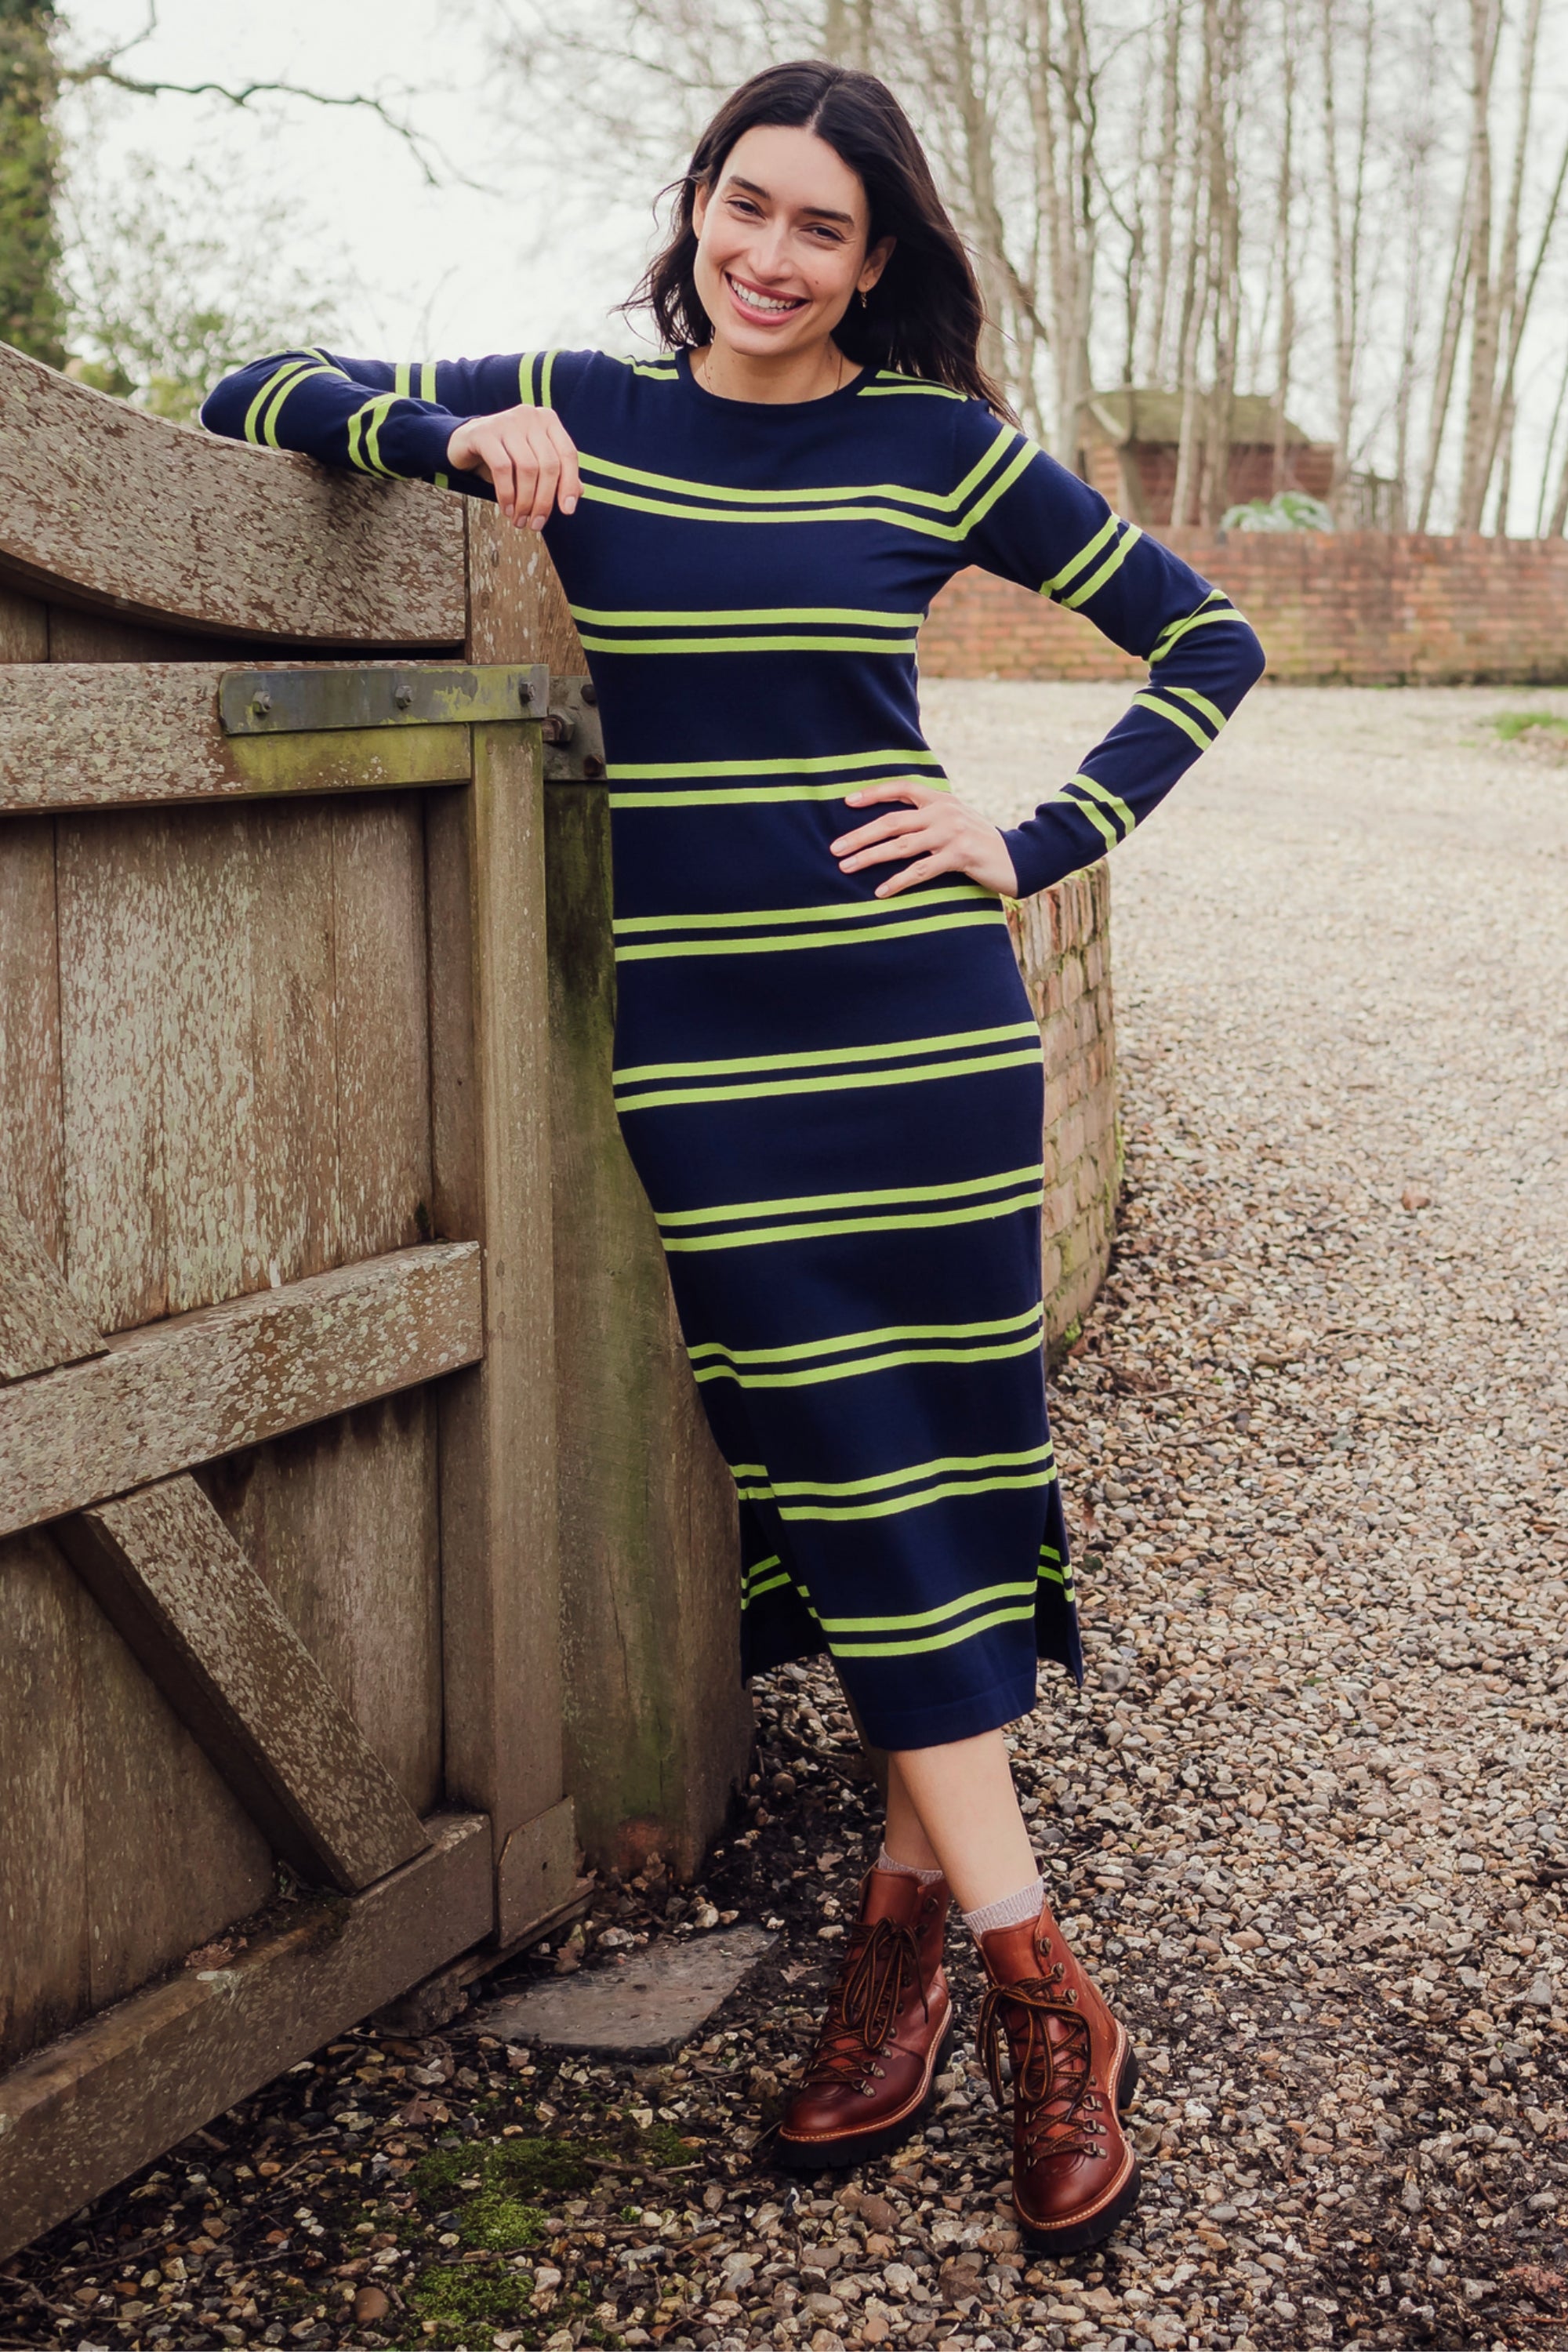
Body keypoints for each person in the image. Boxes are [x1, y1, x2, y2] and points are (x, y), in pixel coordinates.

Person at [203, 57, 1264, 2254]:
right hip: (714, 1072)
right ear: (694, 207)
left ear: (880, 267)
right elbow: (242, 387)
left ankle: (948, 1962)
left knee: (930, 1483)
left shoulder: (934, 445)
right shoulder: (579, 408)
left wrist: (1035, 835)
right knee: (859, 1481)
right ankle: (1032, 1980)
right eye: (745, 209)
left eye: (823, 233)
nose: (771, 258)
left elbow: (1208, 640)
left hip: (925, 1046)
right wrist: (440, 436)